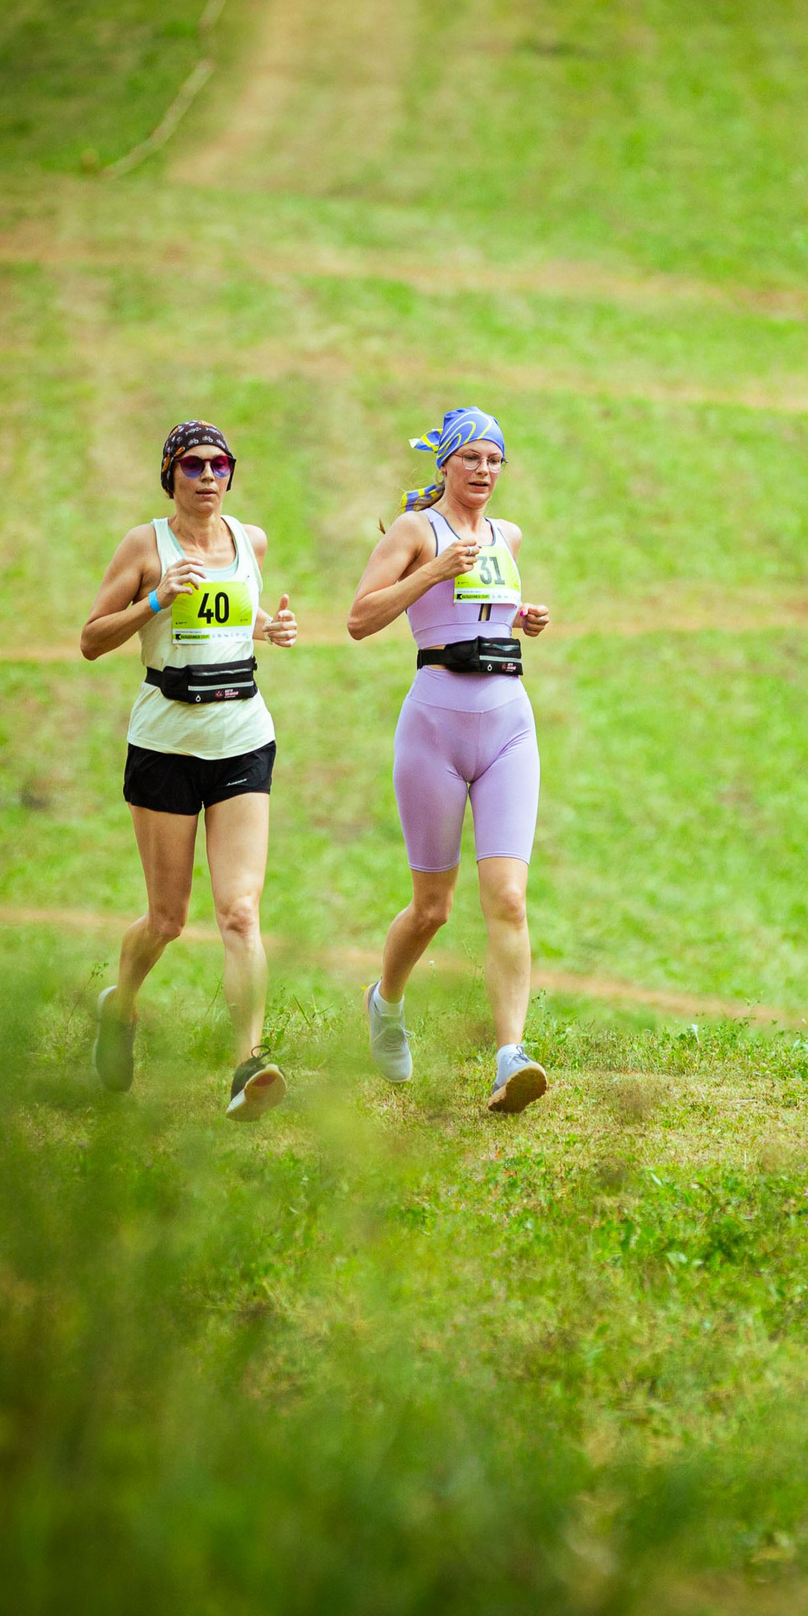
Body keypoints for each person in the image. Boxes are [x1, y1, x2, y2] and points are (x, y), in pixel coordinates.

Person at [79, 421, 300, 1118]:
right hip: (166, 744)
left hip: (241, 736)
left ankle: (248, 1064)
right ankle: (122, 1006)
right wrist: (154, 600)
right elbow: (91, 639)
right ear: (171, 475)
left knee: (239, 911)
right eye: (194, 465)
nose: (208, 477)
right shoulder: (146, 546)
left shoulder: (251, 541)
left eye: (220, 465)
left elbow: (229, 612)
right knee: (168, 920)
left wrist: (267, 627)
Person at [345, 407, 555, 1114]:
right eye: (471, 459)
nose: (484, 472)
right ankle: (386, 1000)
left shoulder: (507, 535)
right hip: (434, 725)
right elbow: (360, 618)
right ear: (445, 464)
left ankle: (509, 1055)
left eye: (494, 461)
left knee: (509, 896)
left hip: (507, 725)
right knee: (433, 908)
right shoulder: (415, 530)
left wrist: (520, 617)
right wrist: (433, 567)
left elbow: (484, 610)